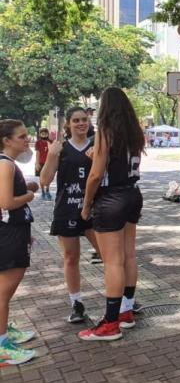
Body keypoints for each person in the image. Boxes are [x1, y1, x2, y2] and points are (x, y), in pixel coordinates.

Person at [78, 87, 144, 341]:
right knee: (128, 255)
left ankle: (110, 323)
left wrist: (86, 205)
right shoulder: (135, 134)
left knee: (112, 260)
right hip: (132, 194)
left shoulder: (105, 132)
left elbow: (96, 175)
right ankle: (126, 312)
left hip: (110, 198)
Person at [39, 108, 102, 324]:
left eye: (84, 119)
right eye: (76, 120)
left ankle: (123, 299)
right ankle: (76, 303)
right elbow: (45, 181)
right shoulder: (61, 148)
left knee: (108, 255)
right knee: (71, 257)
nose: (81, 123)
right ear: (68, 124)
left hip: (94, 208)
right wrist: (51, 155)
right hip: (67, 208)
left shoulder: (97, 144)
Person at [0, 119, 37, 365]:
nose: (27, 140)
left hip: (15, 230)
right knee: (3, 291)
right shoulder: (6, 165)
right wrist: (30, 194)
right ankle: (1, 345)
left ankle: (4, 332)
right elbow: (6, 202)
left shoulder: (8, 164)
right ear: (7, 140)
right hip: (9, 232)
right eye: (22, 136)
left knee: (7, 290)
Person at [34, 128, 52, 200]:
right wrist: (37, 163)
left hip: (49, 162)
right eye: (42, 134)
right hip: (41, 162)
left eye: (45, 133)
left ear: (48, 134)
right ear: (40, 134)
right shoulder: (38, 143)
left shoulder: (51, 142)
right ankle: (43, 191)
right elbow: (37, 153)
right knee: (41, 178)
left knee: (49, 177)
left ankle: (47, 190)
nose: (44, 135)